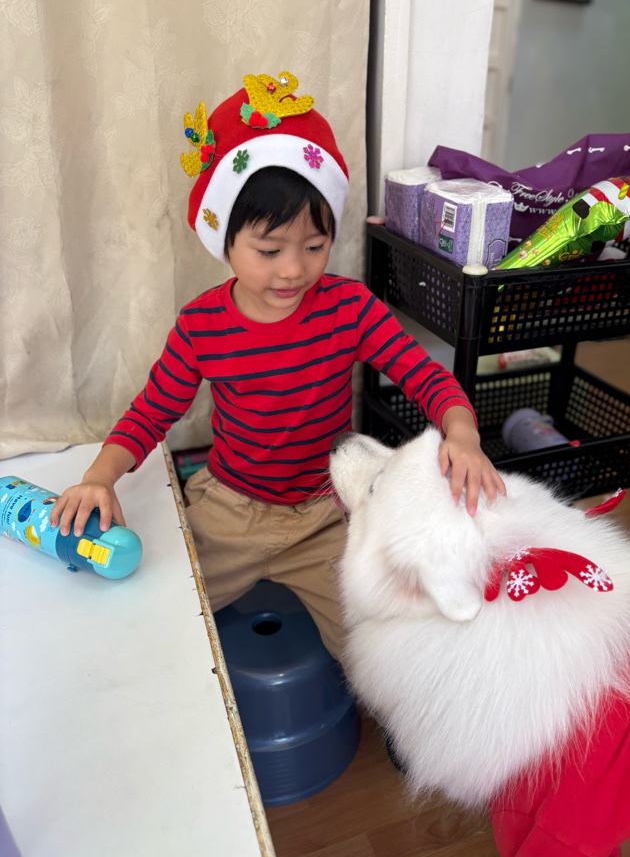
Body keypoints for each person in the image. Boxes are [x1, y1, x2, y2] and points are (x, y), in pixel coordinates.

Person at [50, 70, 505, 658]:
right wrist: (98, 477)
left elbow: (426, 377)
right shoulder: (200, 325)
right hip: (229, 513)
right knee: (157, 626)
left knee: (377, 651)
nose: (293, 270)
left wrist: (462, 434)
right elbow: (150, 413)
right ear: (225, 241)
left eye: (314, 247)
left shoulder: (349, 308)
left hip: (325, 517)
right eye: (268, 250)